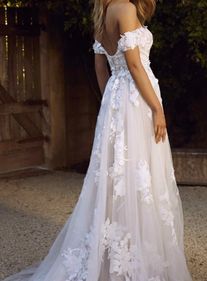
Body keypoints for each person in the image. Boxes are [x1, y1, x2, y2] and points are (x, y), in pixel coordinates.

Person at [2, 0, 193, 280]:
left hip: (119, 98)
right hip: (137, 100)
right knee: (136, 172)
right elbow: (135, 65)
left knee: (120, 174)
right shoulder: (125, 9)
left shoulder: (102, 14)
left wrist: (112, 104)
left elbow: (101, 69)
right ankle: (135, 255)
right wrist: (156, 108)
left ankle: (121, 250)